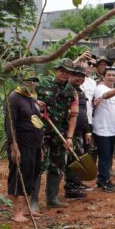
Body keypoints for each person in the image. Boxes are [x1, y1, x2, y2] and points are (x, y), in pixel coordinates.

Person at [35, 59, 79, 209]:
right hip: (41, 132)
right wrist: (36, 103)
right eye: (62, 71)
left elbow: (73, 116)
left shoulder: (71, 91)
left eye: (68, 72)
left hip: (60, 133)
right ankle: (33, 201)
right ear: (56, 70)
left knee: (58, 164)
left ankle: (52, 197)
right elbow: (28, 101)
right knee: (39, 164)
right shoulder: (42, 84)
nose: (64, 74)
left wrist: (70, 137)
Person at [5, 69, 44, 222]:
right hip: (21, 144)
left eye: (34, 81)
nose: (32, 83)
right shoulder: (14, 98)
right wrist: (14, 147)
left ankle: (26, 209)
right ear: (20, 81)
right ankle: (15, 212)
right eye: (29, 81)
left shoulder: (31, 98)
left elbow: (37, 121)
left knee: (31, 175)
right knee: (18, 176)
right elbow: (10, 124)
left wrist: (40, 146)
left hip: (35, 144)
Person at [93, 67, 115, 192]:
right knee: (104, 155)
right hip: (101, 128)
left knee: (108, 155)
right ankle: (105, 180)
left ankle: (101, 179)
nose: (111, 77)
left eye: (113, 75)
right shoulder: (100, 88)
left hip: (112, 129)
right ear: (103, 77)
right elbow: (106, 96)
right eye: (109, 75)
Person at [64, 65, 92, 200]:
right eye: (76, 75)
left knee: (78, 157)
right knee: (71, 159)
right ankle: (70, 189)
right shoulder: (66, 89)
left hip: (80, 131)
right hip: (69, 132)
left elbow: (84, 112)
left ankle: (76, 183)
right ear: (70, 75)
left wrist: (87, 131)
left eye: (82, 76)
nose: (79, 78)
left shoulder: (80, 91)